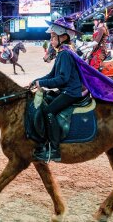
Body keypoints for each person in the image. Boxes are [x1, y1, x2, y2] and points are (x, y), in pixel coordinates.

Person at [30, 17, 84, 162]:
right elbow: (52, 75)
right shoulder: (61, 52)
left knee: (48, 112)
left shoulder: (65, 54)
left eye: (53, 36)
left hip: (70, 92)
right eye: (51, 36)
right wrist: (37, 81)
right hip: (65, 90)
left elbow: (62, 79)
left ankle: (54, 150)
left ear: (64, 37)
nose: (51, 39)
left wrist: (42, 82)